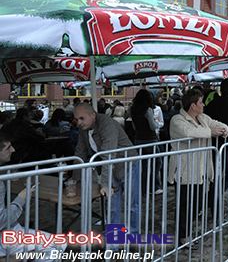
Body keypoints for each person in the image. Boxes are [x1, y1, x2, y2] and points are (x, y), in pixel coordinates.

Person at [168, 88, 228, 248]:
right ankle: (183, 237)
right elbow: (190, 132)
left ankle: (186, 232)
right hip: (184, 170)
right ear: (193, 105)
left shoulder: (202, 118)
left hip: (201, 169)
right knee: (185, 204)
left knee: (197, 203)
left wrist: (224, 129)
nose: (203, 105)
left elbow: (217, 123)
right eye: (201, 102)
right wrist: (210, 131)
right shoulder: (177, 120)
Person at [73, 103, 140, 236]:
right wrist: (75, 180)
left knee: (132, 205)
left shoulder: (107, 124)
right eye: (76, 119)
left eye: (82, 118)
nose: (78, 123)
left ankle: (134, 236)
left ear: (93, 115)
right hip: (111, 166)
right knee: (112, 206)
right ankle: (114, 239)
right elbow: (79, 153)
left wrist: (105, 183)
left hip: (128, 164)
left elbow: (108, 154)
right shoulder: (83, 128)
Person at [0, 132, 67, 260]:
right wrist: (21, 199)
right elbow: (2, 221)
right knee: (58, 244)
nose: (13, 150)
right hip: (5, 236)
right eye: (8, 147)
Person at [130, 89, 162, 194]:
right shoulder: (147, 110)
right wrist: (157, 124)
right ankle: (154, 186)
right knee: (157, 162)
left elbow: (134, 127)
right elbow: (152, 126)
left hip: (138, 139)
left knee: (143, 165)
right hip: (149, 139)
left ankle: (143, 187)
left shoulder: (133, 109)